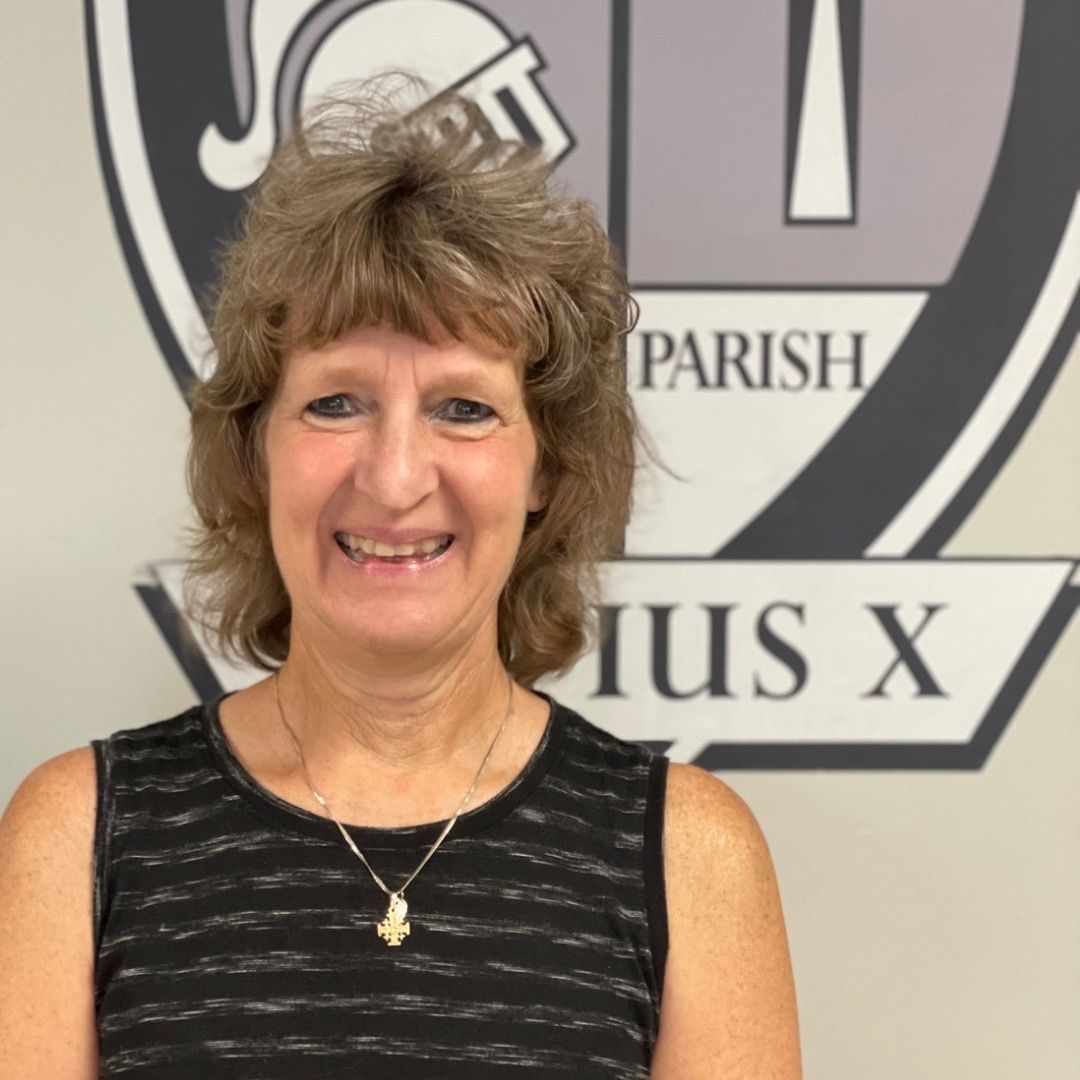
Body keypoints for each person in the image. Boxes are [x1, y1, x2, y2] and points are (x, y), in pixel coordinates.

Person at [0, 81, 801, 1078]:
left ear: (548, 465)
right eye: (336, 402)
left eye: (464, 410)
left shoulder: (689, 859)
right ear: (256, 450)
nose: (393, 476)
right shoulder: (79, 836)